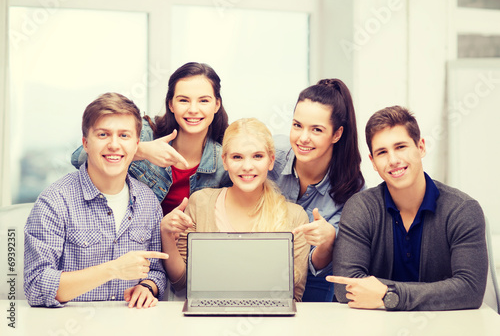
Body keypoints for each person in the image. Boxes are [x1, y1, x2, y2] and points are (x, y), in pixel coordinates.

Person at [328, 106, 487, 311]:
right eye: (382, 152)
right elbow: (346, 287)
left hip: (444, 326)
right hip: (372, 327)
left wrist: (389, 296)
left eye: (401, 146)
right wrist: (441, 291)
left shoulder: (462, 210)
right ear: (373, 162)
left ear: (420, 147)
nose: (393, 160)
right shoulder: (360, 209)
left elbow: (470, 290)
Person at [24, 93, 168, 308]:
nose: (114, 145)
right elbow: (36, 286)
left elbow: (156, 271)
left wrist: (147, 286)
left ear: (136, 144)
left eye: (124, 136)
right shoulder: (54, 200)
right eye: (103, 134)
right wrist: (113, 269)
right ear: (85, 143)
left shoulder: (148, 200)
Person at [161, 118, 309, 301]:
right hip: (208, 320)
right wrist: (166, 235)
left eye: (257, 156)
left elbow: (294, 296)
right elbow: (181, 282)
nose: (247, 167)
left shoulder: (295, 217)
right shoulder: (200, 203)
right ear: (225, 161)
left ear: (271, 161)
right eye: (237, 157)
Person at [71, 62, 231, 216]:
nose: (193, 109)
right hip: (133, 240)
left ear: (217, 104)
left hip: (183, 243)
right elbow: (79, 158)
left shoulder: (223, 163)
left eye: (204, 101)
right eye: (183, 100)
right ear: (171, 104)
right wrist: (141, 150)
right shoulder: (145, 134)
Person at [268, 79, 365, 302]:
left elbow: (318, 265)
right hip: (259, 275)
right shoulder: (271, 155)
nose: (303, 138)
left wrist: (328, 241)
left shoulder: (353, 191)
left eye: (317, 130)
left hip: (314, 290)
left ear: (337, 134)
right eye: (297, 125)